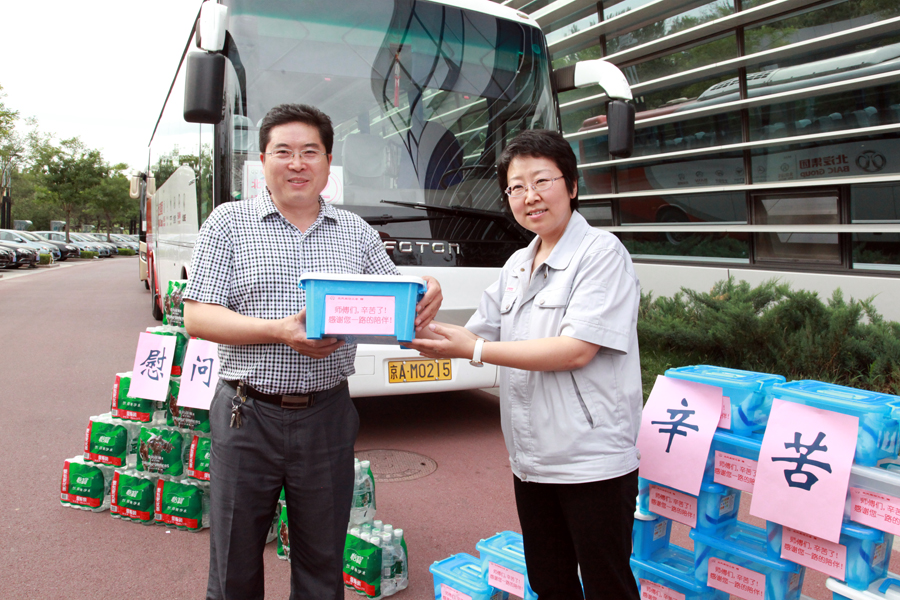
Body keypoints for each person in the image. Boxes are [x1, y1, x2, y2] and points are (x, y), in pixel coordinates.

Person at [182, 103, 442, 600]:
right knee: (234, 562)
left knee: (322, 563)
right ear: (263, 161)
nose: (296, 163)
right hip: (247, 414)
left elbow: (395, 304)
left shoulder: (356, 232)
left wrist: (426, 287)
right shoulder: (228, 223)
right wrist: (279, 331)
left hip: (327, 415)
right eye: (283, 152)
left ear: (327, 162)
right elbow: (198, 317)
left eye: (310, 152)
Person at [408, 129, 642, 600]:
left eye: (541, 181)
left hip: (591, 460)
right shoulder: (517, 262)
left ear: (571, 186)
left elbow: (575, 349)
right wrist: (412, 313)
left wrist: (474, 350)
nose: (529, 196)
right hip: (532, 460)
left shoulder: (601, 253)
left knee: (607, 585)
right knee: (549, 581)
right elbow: (476, 332)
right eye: (516, 187)